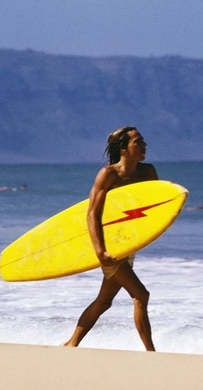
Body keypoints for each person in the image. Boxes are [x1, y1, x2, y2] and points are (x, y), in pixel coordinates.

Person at [63, 126, 159, 351]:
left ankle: (71, 343)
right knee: (140, 295)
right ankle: (150, 352)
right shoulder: (108, 175)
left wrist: (146, 235)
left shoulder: (148, 173)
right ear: (124, 148)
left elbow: (155, 207)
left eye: (143, 141)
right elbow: (92, 213)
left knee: (104, 302)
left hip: (129, 243)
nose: (144, 145)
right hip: (110, 245)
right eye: (138, 141)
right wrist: (100, 250)